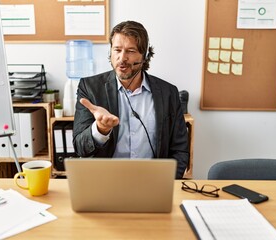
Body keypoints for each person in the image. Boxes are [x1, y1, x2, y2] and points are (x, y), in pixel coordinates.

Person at [73, 20, 189, 179]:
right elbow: (80, 147)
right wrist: (100, 129)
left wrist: (167, 183)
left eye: (130, 51)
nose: (122, 58)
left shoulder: (168, 93)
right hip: (105, 182)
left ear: (145, 55)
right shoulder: (90, 88)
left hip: (153, 182)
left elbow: (180, 149)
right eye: (117, 50)